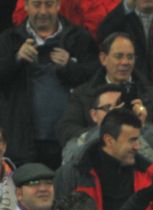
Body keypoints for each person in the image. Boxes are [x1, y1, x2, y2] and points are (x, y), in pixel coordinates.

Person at [0, 0, 98, 168]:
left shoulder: (79, 38)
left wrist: (70, 66)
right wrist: (15, 59)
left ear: (59, 5)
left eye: (49, 4)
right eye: (37, 4)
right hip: (23, 143)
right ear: (26, 6)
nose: (43, 11)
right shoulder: (9, 39)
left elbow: (95, 80)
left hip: (71, 141)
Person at [54, 108, 153, 210]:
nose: (137, 146)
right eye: (132, 140)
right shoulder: (73, 174)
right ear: (109, 140)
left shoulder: (149, 173)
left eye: (137, 140)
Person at [55, 33, 153, 148]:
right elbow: (66, 129)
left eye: (130, 57)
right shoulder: (82, 95)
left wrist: (143, 127)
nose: (125, 62)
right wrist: (105, 129)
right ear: (103, 58)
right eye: (119, 56)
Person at [61, 84, 153, 175]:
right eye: (108, 108)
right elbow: (71, 168)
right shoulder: (81, 140)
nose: (115, 113)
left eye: (120, 107)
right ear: (94, 115)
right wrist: (107, 127)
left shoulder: (147, 132)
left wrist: (138, 131)